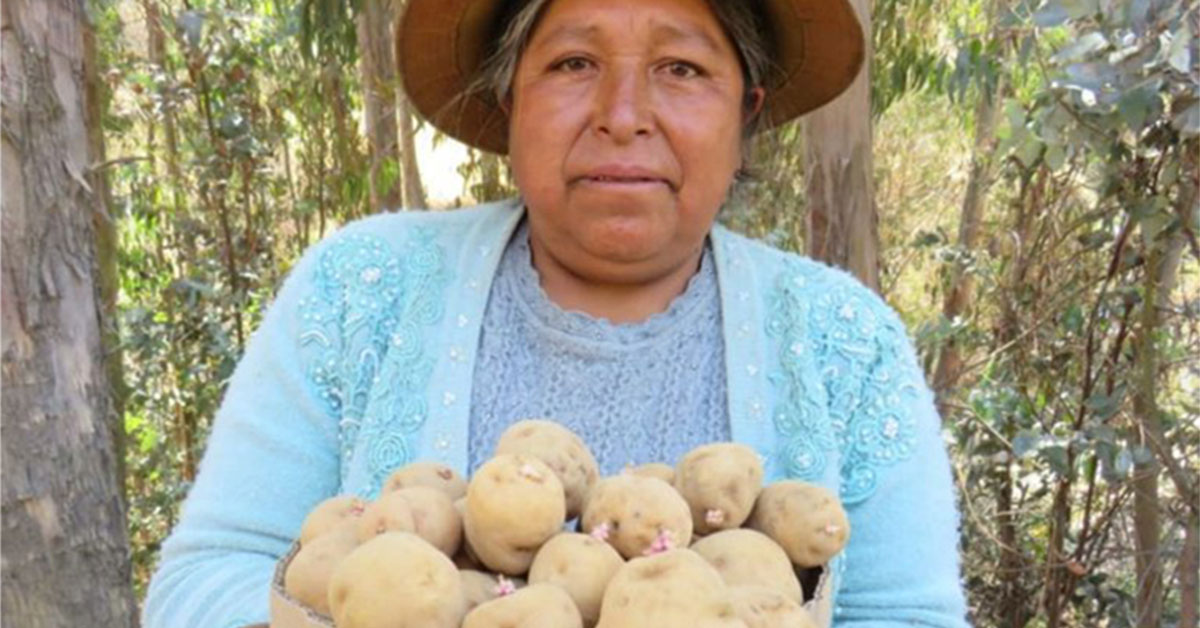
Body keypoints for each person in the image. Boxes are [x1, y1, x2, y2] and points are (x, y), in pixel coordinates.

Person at [143, 0, 970, 625]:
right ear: (510, 101)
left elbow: (912, 615)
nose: (622, 113)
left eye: (681, 68)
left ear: (745, 111)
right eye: (574, 63)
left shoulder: (845, 342)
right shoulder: (360, 288)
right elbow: (205, 580)